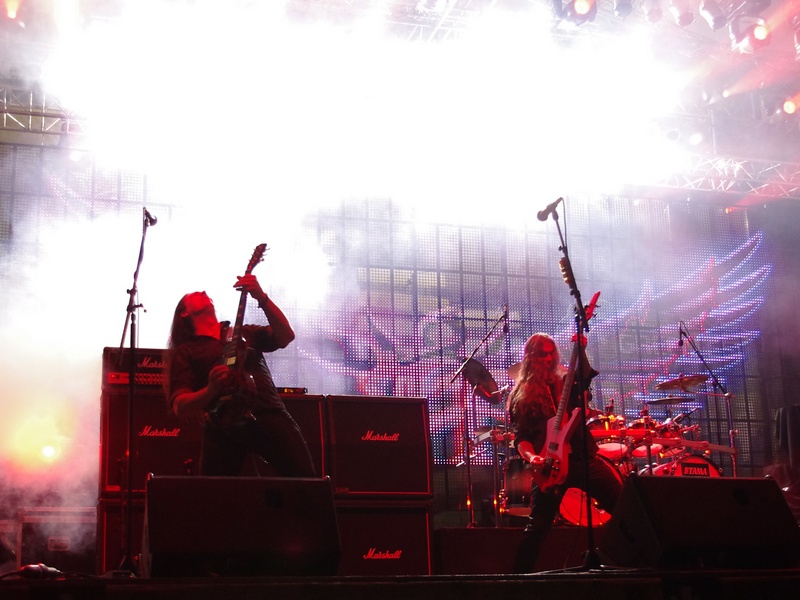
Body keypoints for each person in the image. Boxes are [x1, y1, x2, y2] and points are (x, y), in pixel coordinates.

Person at [165, 273, 316, 478]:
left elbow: (286, 336)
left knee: (306, 481)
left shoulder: (243, 333)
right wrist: (210, 390)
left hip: (268, 412)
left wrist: (261, 297)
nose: (204, 292)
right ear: (184, 312)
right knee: (216, 491)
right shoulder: (186, 351)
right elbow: (180, 405)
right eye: (195, 294)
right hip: (224, 424)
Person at [508, 332, 622, 573]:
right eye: (543, 354)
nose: (549, 359)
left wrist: (580, 349)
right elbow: (521, 438)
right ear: (530, 357)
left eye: (552, 353)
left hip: (582, 458)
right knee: (538, 527)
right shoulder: (522, 395)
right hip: (550, 465)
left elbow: (584, 375)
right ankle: (517, 579)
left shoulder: (568, 383)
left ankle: (635, 560)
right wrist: (532, 458)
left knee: (624, 507)